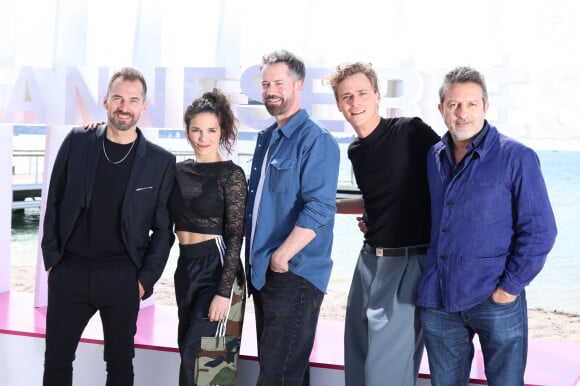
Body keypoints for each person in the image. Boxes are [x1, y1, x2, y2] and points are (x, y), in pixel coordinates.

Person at [417, 66, 558, 385]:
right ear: (441, 109)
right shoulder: (434, 156)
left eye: (471, 104)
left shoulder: (517, 157)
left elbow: (540, 232)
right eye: (453, 105)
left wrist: (509, 288)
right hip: (439, 301)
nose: (462, 113)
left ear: (485, 107)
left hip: (495, 300)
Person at [41, 67, 176, 386]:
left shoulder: (161, 162)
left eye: (133, 100)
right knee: (57, 362)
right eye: (118, 98)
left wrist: (144, 281)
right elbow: (54, 200)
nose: (124, 106)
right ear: (105, 101)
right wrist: (52, 262)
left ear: (144, 107)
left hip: (122, 278)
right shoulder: (77, 141)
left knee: (119, 366)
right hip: (69, 272)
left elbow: (163, 231)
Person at [327, 62, 440, 386]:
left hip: (409, 262)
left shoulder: (411, 132)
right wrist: (326, 207)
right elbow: (378, 198)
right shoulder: (355, 151)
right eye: (346, 96)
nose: (355, 102)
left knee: (386, 376)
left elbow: (450, 179)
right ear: (338, 104)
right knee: (358, 367)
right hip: (368, 263)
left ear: (377, 95)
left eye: (362, 93)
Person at [244, 49, 340, 385]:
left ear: (298, 86)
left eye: (279, 83)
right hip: (263, 274)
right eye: (266, 83)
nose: (270, 90)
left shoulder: (316, 140)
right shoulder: (267, 138)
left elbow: (321, 207)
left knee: (276, 376)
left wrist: (281, 257)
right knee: (288, 374)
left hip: (293, 274)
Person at [169, 89, 247, 386]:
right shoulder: (177, 171)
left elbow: (234, 238)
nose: (203, 137)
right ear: (187, 130)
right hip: (185, 268)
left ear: (222, 131)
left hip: (218, 270)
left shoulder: (232, 175)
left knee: (202, 362)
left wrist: (223, 292)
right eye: (196, 130)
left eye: (211, 130)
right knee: (188, 354)